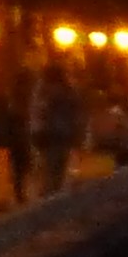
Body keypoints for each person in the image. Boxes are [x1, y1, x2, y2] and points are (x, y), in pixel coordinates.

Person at [30, 63, 83, 200]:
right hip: (63, 134)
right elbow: (76, 113)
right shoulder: (68, 91)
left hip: (48, 135)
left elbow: (38, 112)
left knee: (49, 167)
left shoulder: (43, 91)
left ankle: (49, 195)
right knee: (58, 167)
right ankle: (54, 195)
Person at [0, 68, 29, 209]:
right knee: (2, 168)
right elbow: (10, 117)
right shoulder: (4, 98)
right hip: (5, 136)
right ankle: (0, 197)